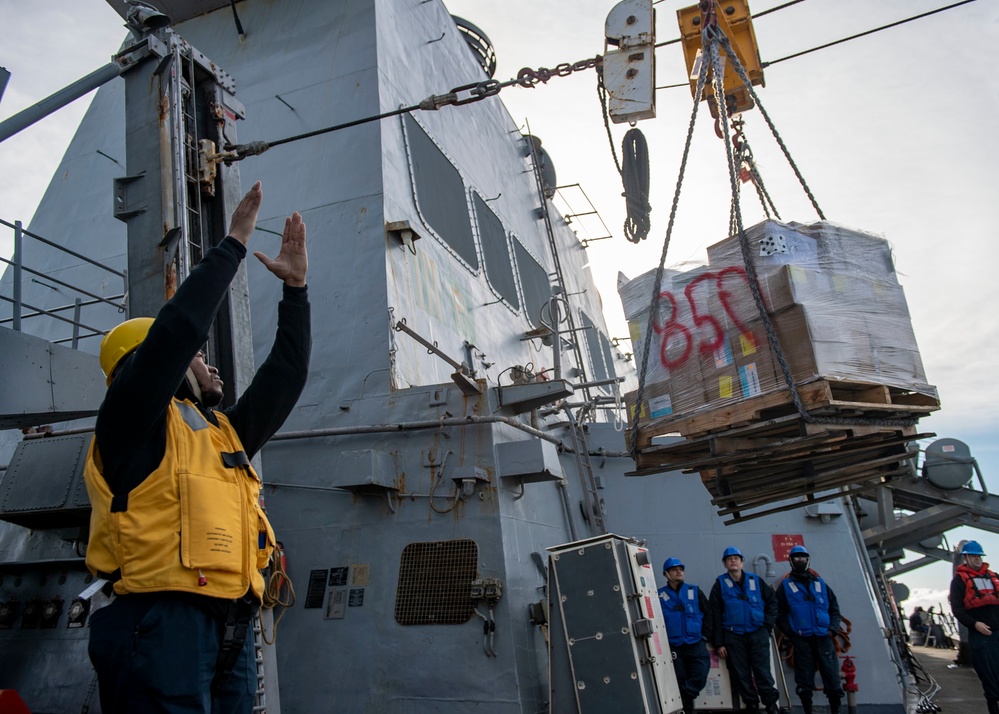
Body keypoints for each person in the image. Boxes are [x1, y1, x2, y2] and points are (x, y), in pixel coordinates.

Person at [83, 181, 311, 714]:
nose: (208, 364)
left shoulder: (222, 433)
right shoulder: (131, 420)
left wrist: (296, 292)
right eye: (199, 357)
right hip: (157, 624)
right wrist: (233, 244)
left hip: (228, 626)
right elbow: (178, 332)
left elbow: (287, 375)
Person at [710, 546, 780, 713]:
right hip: (734, 636)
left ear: (741, 562)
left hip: (757, 633)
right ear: (725, 564)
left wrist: (766, 625)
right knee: (741, 673)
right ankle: (751, 704)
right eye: (729, 559)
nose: (733, 560)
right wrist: (719, 643)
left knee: (762, 671)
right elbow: (715, 615)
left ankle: (771, 704)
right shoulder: (719, 585)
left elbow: (772, 603)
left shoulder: (756, 581)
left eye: (736, 558)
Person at [775, 545, 844, 714]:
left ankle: (836, 710)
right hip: (801, 638)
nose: (800, 561)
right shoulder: (785, 587)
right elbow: (779, 613)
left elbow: (834, 609)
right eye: (797, 558)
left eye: (803, 558)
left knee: (832, 677)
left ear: (808, 560)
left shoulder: (821, 584)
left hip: (823, 638)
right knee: (804, 679)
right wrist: (791, 633)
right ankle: (808, 710)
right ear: (791, 561)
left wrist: (833, 630)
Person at [950, 540, 999, 714]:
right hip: (980, 636)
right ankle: (994, 708)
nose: (977, 559)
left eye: (979, 556)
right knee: (988, 675)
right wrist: (975, 624)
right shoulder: (959, 581)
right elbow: (957, 609)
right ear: (966, 558)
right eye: (973, 556)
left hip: (998, 633)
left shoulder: (994, 577)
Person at [658, 557, 711, 713]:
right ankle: (686, 710)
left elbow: (708, 614)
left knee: (700, 675)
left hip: (695, 642)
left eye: (681, 569)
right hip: (674, 645)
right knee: (679, 679)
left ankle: (684, 697)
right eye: (674, 569)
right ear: (666, 574)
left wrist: (705, 637)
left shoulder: (694, 591)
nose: (679, 571)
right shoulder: (659, 596)